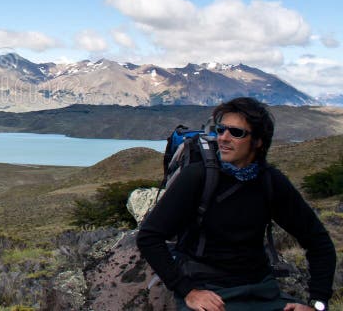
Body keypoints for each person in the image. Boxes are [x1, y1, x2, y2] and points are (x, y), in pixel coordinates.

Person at [137, 97, 336, 311]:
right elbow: (149, 236)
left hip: (261, 290)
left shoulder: (270, 181)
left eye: (236, 132)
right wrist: (188, 291)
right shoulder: (198, 176)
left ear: (258, 141)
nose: (223, 138)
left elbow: (318, 242)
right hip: (208, 289)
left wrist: (316, 305)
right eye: (221, 130)